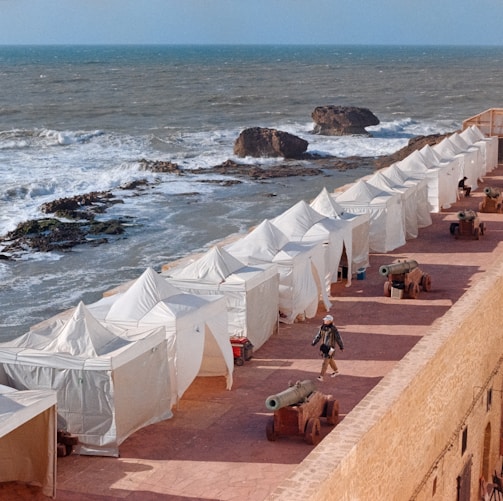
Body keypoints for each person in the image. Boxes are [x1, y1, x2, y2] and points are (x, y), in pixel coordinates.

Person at [311, 314, 344, 381]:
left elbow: (338, 338)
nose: (324, 321)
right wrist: (314, 342)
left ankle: (321, 376)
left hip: (331, 348)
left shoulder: (333, 329)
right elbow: (319, 335)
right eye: (324, 320)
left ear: (330, 321)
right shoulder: (322, 327)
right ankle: (336, 371)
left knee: (325, 361)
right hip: (324, 347)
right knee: (330, 359)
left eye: (326, 320)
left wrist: (341, 346)